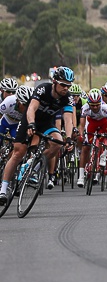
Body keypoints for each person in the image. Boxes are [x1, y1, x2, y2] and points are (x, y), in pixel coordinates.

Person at [0, 66, 77, 205]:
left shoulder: (68, 98)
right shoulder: (43, 89)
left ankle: (33, 168)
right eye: (63, 85)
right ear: (55, 82)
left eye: (68, 85)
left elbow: (68, 119)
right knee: (18, 153)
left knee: (58, 142)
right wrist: (30, 124)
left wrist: (70, 138)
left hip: (47, 123)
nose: (66, 88)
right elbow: (32, 108)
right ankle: (3, 190)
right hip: (30, 120)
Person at [76, 89, 107, 187]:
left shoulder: (105, 108)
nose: (95, 107)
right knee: (86, 147)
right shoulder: (85, 108)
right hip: (92, 123)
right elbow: (82, 125)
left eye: (97, 105)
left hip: (104, 122)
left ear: (101, 103)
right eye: (92, 105)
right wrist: (81, 135)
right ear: (89, 104)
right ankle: (81, 177)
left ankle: (104, 155)